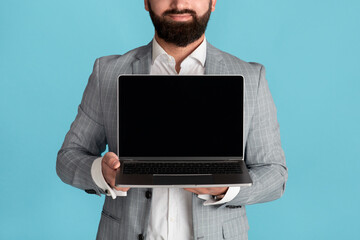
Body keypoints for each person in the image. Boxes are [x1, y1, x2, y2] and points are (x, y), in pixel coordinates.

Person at [56, 0, 288, 239]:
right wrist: (101, 173)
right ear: (146, 2)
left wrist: (227, 189)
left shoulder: (250, 78)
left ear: (213, 2)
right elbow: (68, 157)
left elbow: (274, 175)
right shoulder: (107, 73)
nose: (179, 3)